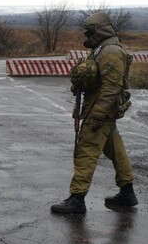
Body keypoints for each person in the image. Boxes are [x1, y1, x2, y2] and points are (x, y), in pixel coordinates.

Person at [51, 12, 138, 214]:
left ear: (100, 30)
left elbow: (111, 88)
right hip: (99, 107)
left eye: (90, 31)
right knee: (115, 149)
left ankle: (77, 198)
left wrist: (97, 116)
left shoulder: (110, 52)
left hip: (100, 109)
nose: (88, 35)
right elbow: (95, 77)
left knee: (86, 149)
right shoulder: (101, 49)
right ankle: (127, 191)